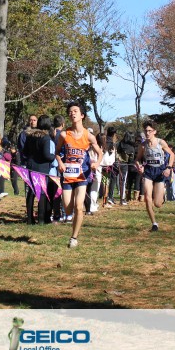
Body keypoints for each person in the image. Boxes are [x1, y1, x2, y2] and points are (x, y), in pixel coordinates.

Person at [55, 102, 101, 248]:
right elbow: (57, 152)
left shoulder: (89, 136)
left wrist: (97, 163)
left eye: (75, 111)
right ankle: (71, 220)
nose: (72, 113)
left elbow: (100, 153)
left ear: (82, 115)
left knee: (79, 206)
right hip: (68, 175)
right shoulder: (64, 134)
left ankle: (74, 237)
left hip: (82, 175)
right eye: (70, 111)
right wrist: (60, 162)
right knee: (68, 209)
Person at [135, 119, 175, 231]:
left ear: (154, 131)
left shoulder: (161, 142)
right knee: (147, 197)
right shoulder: (143, 145)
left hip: (160, 172)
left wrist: (169, 167)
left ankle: (162, 195)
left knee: (157, 204)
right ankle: (154, 223)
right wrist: (139, 166)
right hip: (148, 171)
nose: (147, 133)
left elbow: (172, 155)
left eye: (150, 131)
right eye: (146, 131)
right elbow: (137, 159)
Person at [23, 116, 56, 224]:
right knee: (41, 193)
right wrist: (54, 156)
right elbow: (47, 155)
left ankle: (29, 218)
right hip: (42, 168)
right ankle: (41, 219)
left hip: (31, 166)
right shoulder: (46, 138)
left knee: (31, 192)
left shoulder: (30, 136)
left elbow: (25, 152)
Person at [15, 115, 38, 196]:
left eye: (34, 120)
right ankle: (29, 202)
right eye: (31, 120)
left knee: (37, 185)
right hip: (26, 162)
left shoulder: (40, 133)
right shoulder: (23, 134)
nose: (32, 122)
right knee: (28, 185)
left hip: (37, 164)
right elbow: (22, 148)